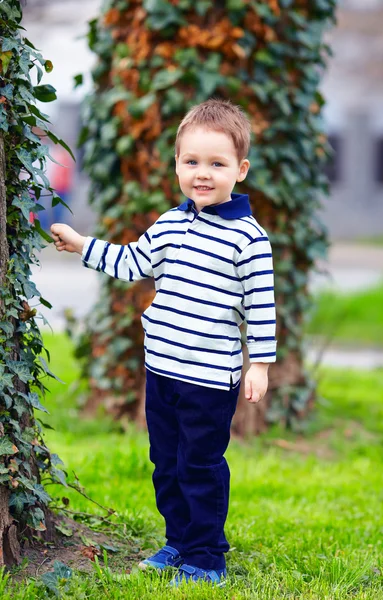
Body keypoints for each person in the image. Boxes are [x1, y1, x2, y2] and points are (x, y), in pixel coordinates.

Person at [50, 98, 277, 588]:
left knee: (200, 465)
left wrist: (260, 364)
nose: (202, 173)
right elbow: (132, 263)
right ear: (177, 164)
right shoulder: (172, 223)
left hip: (210, 379)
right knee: (166, 464)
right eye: (191, 161)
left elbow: (261, 306)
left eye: (216, 164)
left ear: (240, 170)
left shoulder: (249, 239)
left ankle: (207, 555)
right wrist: (81, 244)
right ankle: (178, 541)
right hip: (162, 370)